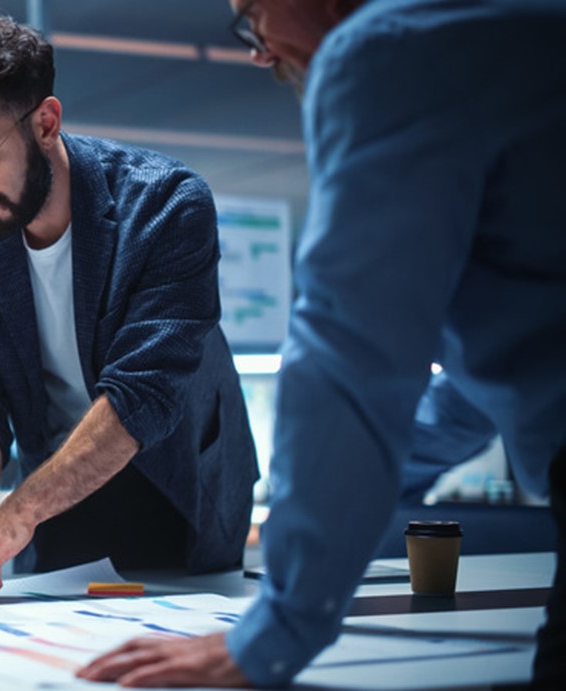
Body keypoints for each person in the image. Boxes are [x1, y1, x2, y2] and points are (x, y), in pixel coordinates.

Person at [79, 0, 566, 686]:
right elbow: (477, 391)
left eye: (252, 14)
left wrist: (280, 625)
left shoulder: (390, 45)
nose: (257, 50)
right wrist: (316, 516)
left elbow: (352, 358)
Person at [0, 13, 259, 607]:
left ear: (46, 123)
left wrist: (17, 511)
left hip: (178, 490)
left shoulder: (165, 205)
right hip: (55, 499)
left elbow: (145, 396)